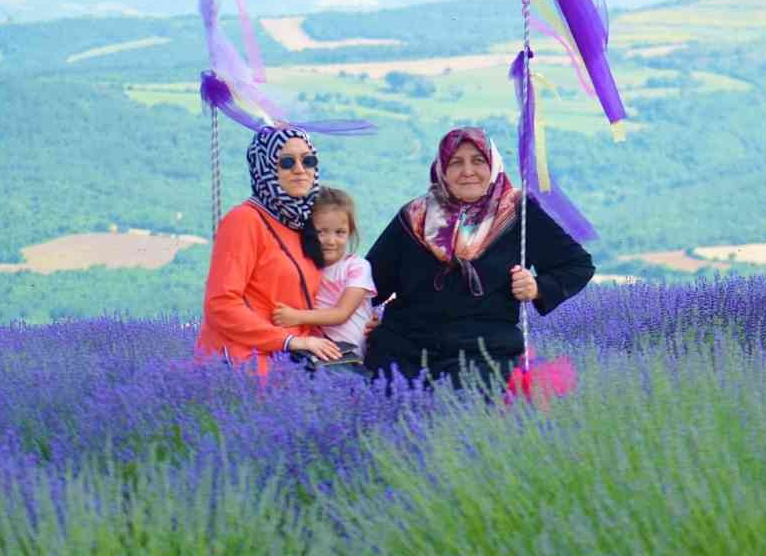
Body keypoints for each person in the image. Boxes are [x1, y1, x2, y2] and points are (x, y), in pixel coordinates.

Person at [363, 127, 595, 387]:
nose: (467, 171)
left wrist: (537, 287)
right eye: (456, 162)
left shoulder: (518, 212)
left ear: (493, 165)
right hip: (404, 348)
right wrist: (361, 317)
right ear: (442, 169)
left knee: (464, 411)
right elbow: (368, 282)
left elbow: (577, 265)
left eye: (478, 161)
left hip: (485, 352)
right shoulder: (414, 217)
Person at [196, 125, 344, 368]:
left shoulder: (304, 224)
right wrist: (287, 341)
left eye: (308, 160)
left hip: (293, 359)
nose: (300, 169)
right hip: (244, 364)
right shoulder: (243, 221)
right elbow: (220, 304)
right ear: (264, 168)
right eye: (286, 162)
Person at [271, 187, 377, 363]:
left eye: (339, 232)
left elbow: (342, 313)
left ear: (350, 232)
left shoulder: (357, 267)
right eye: (321, 232)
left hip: (350, 355)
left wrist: (296, 316)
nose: (330, 240)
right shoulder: (303, 267)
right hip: (316, 352)